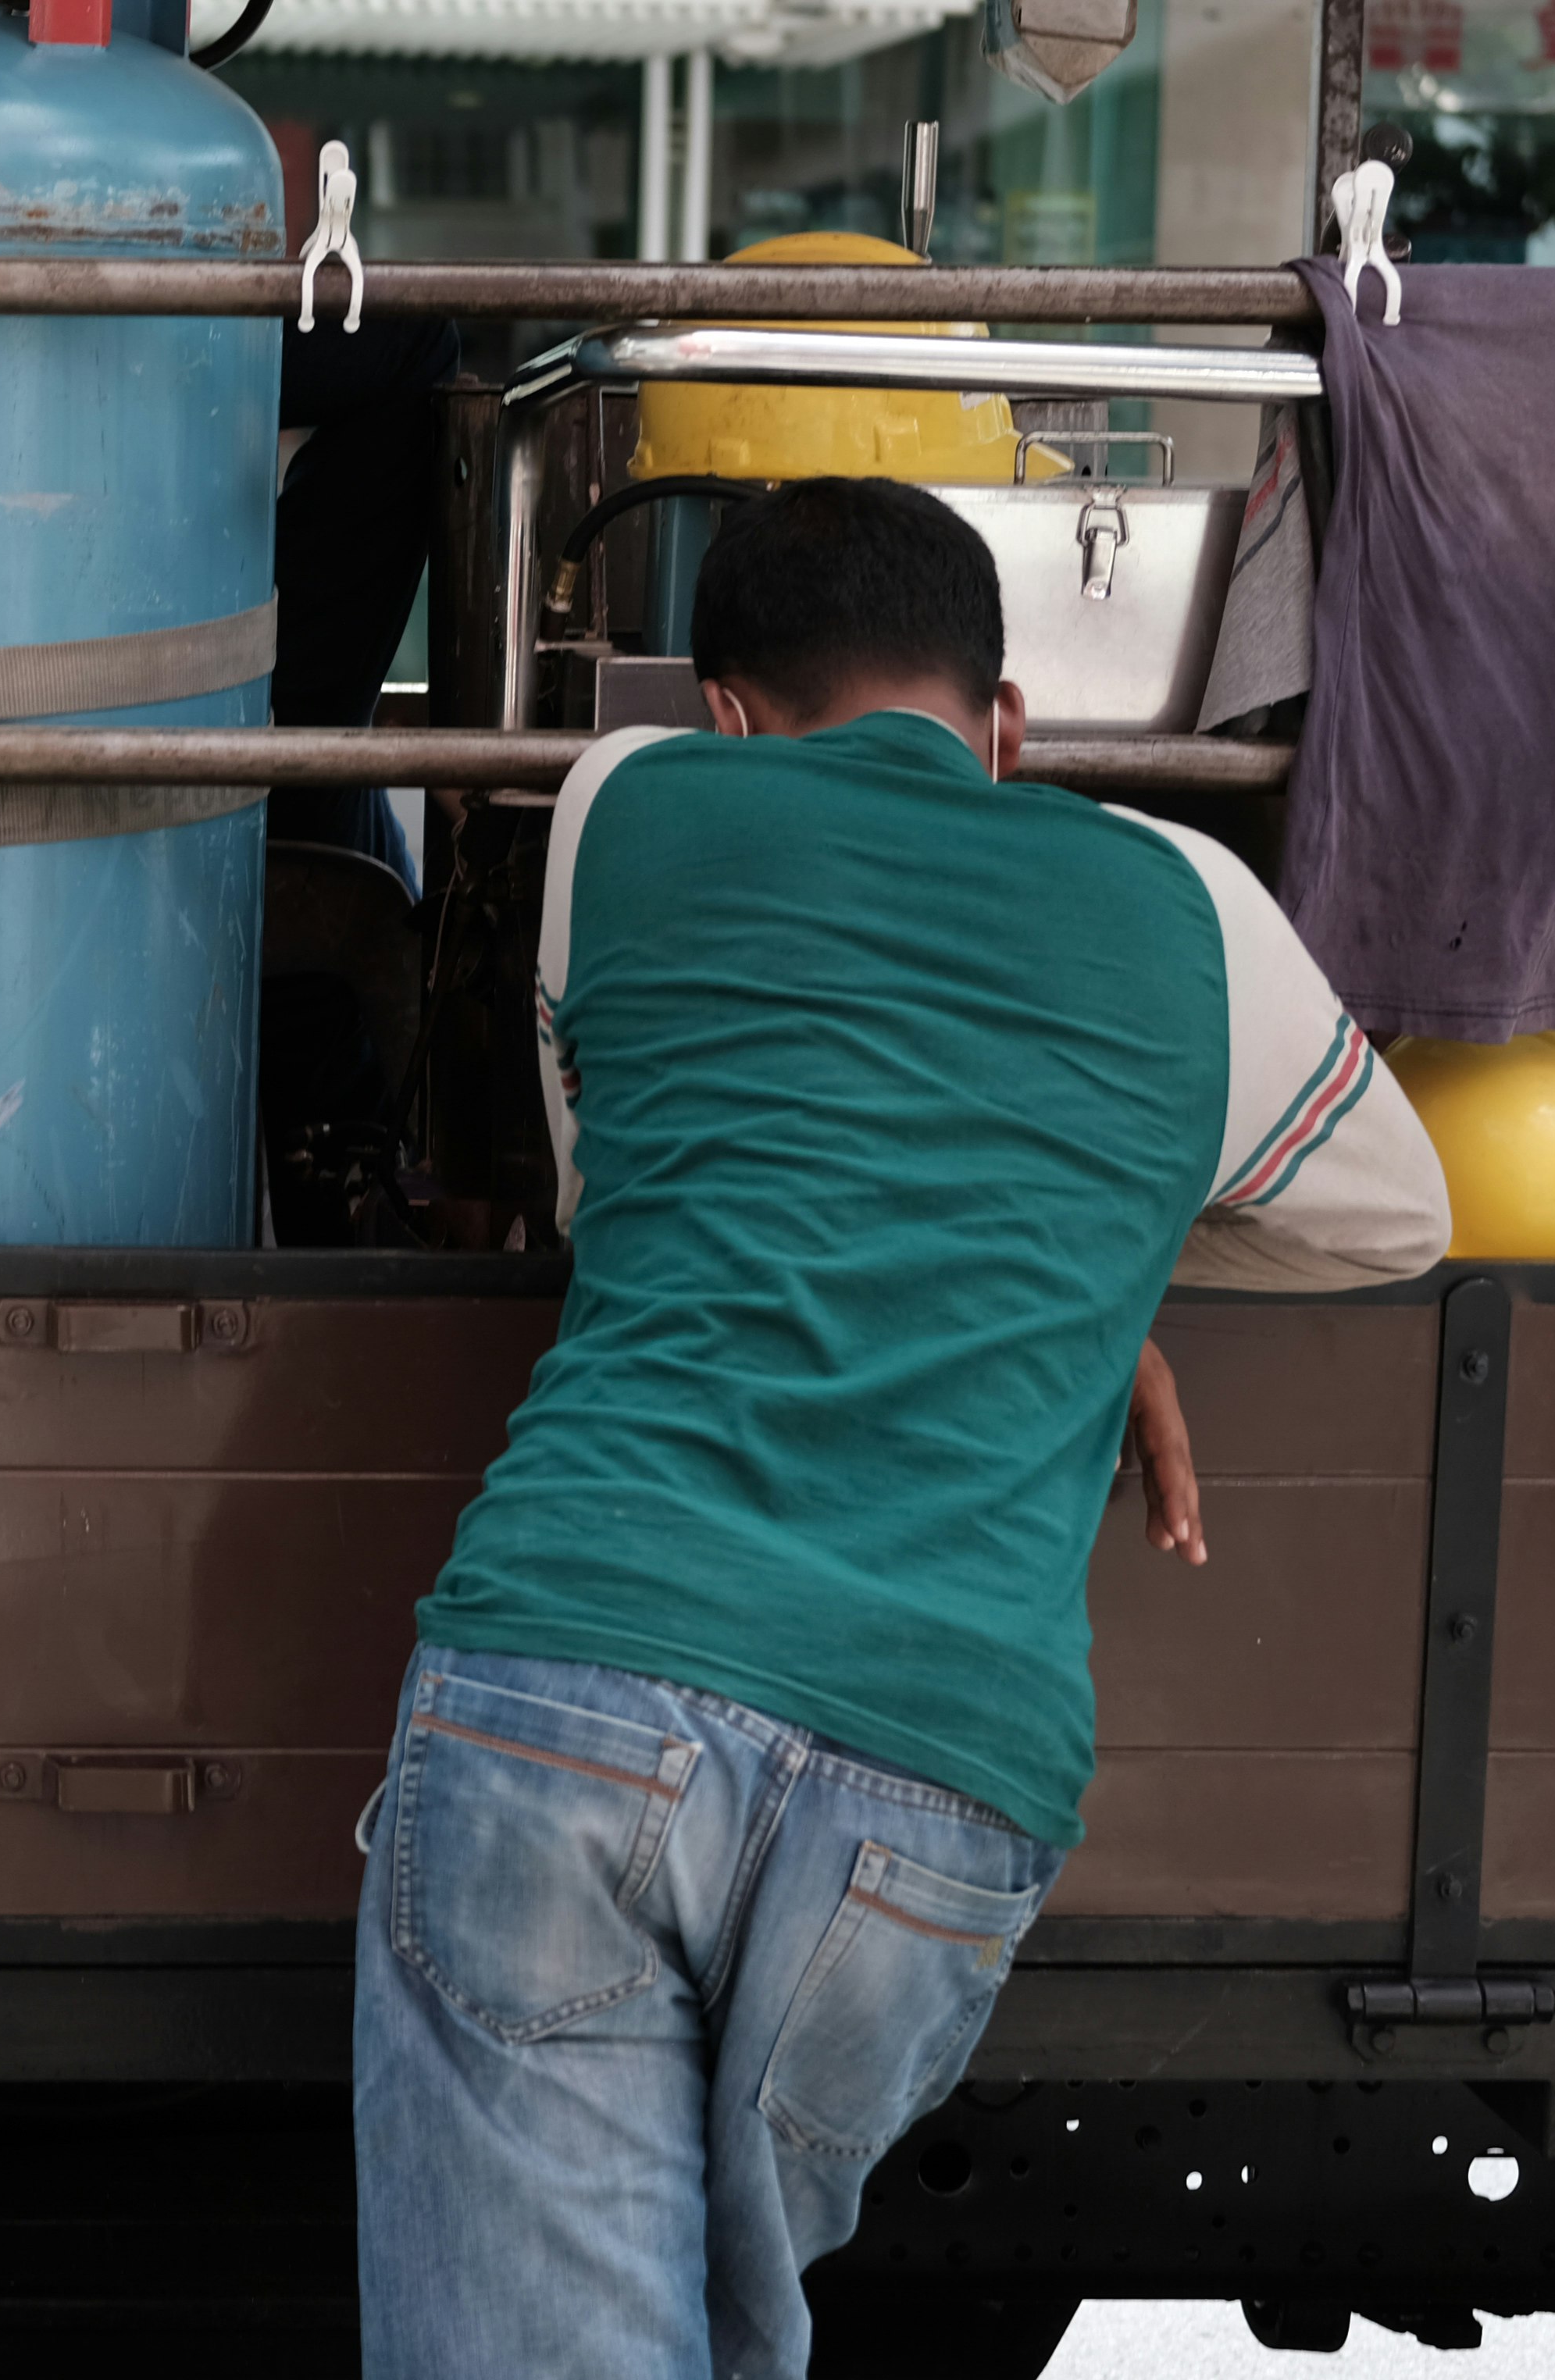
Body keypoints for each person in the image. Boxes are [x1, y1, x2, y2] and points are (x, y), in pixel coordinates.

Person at [356, 477, 1450, 2375]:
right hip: (938, 1784)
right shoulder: (1189, 905)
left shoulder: (627, 804)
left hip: (583, 1684)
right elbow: (1394, 1214)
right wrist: (1097, 1277)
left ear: (719, 709)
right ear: (1008, 725)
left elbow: (618, 1196)